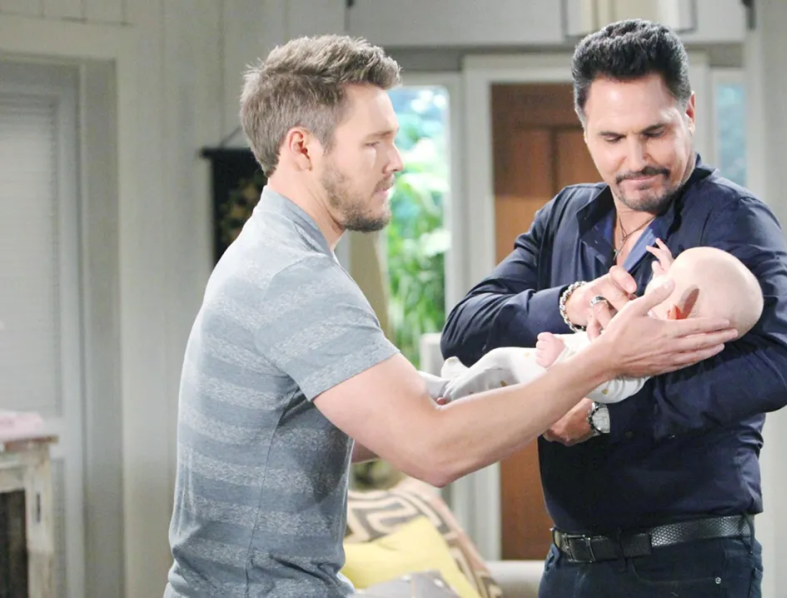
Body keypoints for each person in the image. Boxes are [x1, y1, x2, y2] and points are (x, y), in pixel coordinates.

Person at [163, 34, 739, 598]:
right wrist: (603, 362)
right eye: (375, 143)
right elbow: (432, 451)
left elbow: (382, 415)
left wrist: (511, 374)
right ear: (303, 148)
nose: (396, 161)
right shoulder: (296, 276)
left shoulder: (274, 253)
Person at [440, 19, 787, 598]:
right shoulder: (563, 217)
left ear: (689, 112)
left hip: (689, 563)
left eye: (654, 132)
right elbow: (463, 330)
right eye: (612, 138)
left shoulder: (733, 220)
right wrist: (570, 301)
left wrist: (607, 417)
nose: (636, 159)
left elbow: (774, 367)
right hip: (569, 562)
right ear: (585, 132)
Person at [430, 242, 764, 405]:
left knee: (500, 364)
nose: (657, 273)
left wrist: (561, 359)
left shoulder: (648, 355)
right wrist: (668, 270)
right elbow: (462, 326)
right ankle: (451, 387)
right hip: (547, 365)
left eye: (668, 274)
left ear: (676, 312)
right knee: (492, 367)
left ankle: (449, 400)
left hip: (550, 371)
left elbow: (610, 388)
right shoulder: (651, 318)